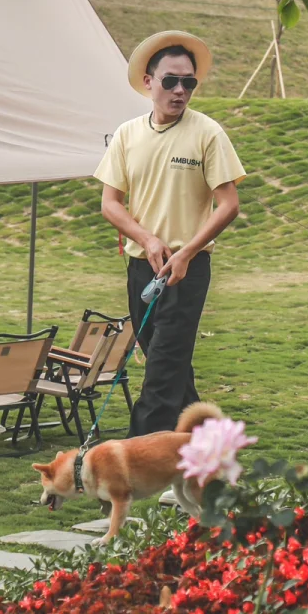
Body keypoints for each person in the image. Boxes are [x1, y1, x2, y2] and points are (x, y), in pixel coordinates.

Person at [95, 30, 244, 438]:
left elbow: (229, 204)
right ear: (148, 81)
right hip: (142, 267)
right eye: (171, 81)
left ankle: (138, 457)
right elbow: (110, 203)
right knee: (169, 360)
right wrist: (147, 239)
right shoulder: (127, 135)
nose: (180, 91)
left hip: (186, 270)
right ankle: (207, 443)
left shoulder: (207, 133)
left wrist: (187, 252)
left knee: (161, 370)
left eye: (189, 83)